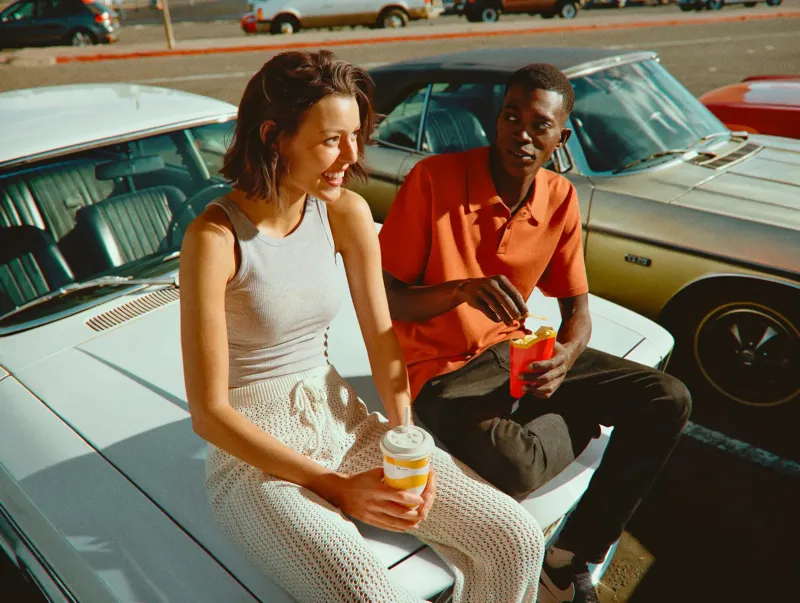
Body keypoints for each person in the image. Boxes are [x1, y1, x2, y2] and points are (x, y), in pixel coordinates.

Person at [179, 49, 545, 603]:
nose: (351, 156)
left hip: (344, 424)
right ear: (274, 136)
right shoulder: (214, 239)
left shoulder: (343, 211)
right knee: (367, 591)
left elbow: (381, 337)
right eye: (332, 140)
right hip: (256, 460)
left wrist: (408, 445)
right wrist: (336, 488)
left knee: (514, 539)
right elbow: (209, 414)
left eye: (355, 135)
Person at [378, 63, 692, 603]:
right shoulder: (433, 179)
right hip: (441, 369)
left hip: (518, 351)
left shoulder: (560, 197)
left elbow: (578, 309)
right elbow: (386, 299)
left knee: (668, 398)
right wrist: (459, 290)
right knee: (515, 467)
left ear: (560, 139)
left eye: (539, 125)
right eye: (510, 117)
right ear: (496, 120)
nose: (520, 134)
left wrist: (567, 356)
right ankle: (582, 416)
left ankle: (569, 557)